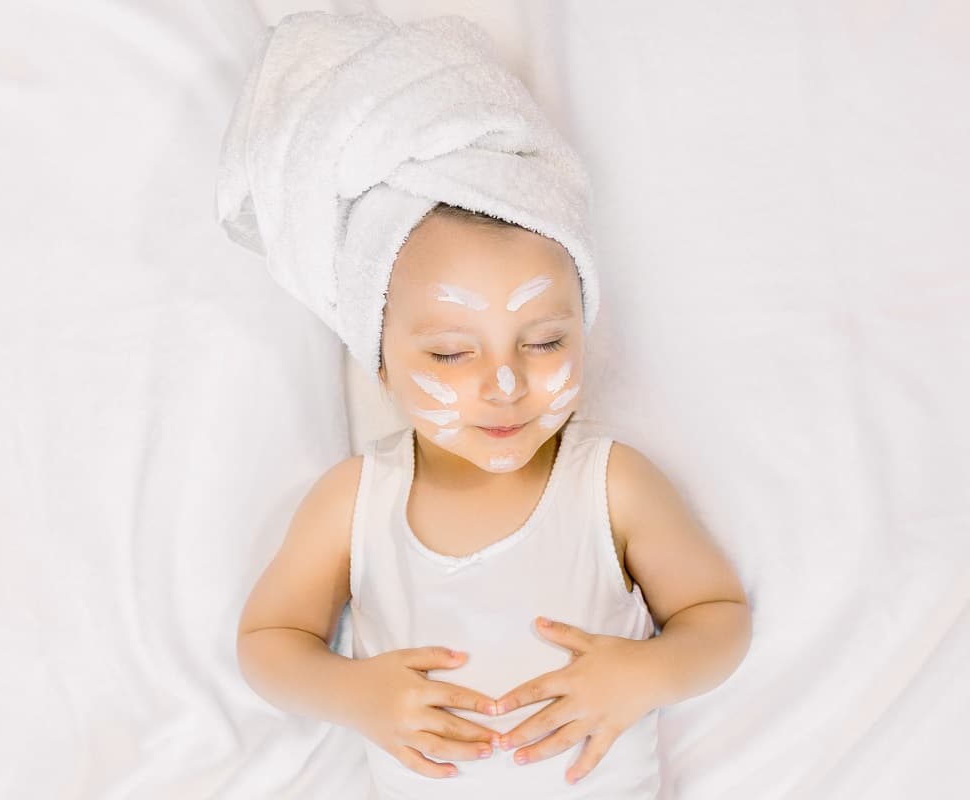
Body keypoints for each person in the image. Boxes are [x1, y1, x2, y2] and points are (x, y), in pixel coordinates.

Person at [235, 200, 752, 798]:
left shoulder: (611, 485)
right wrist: (355, 694)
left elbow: (718, 616)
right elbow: (268, 643)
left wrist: (644, 674)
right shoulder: (356, 500)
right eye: (452, 353)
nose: (505, 385)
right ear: (380, 364)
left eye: (544, 342)